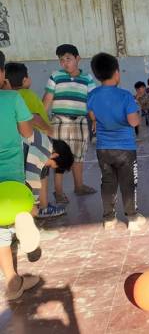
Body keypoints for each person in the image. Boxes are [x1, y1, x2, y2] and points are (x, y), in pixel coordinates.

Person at [87, 52, 145, 231]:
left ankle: (109, 219)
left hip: (103, 148)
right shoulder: (125, 96)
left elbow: (92, 117)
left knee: (108, 182)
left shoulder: (92, 95)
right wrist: (138, 113)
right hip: (125, 148)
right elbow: (134, 121)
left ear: (97, 75)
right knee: (128, 183)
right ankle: (133, 218)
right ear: (117, 72)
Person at [5, 62, 71, 218]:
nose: (48, 166)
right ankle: (41, 209)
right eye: (53, 165)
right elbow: (33, 176)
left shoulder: (7, 96)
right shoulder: (42, 150)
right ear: (54, 156)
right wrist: (33, 204)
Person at [0, 50, 41, 300]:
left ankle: (13, 283)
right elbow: (27, 133)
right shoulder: (12, 98)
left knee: (0, 232)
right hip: (12, 180)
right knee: (25, 205)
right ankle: (25, 220)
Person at [42, 44, 97, 204]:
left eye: (68, 59)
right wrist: (42, 121)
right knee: (61, 156)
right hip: (59, 121)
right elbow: (47, 99)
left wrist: (94, 119)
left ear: (77, 59)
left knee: (79, 156)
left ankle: (79, 186)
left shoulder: (87, 78)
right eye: (61, 60)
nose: (65, 63)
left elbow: (91, 101)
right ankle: (58, 191)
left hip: (80, 121)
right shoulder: (56, 76)